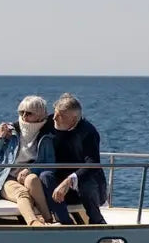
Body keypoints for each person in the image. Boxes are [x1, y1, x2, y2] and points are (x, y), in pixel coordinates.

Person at [0, 95, 56, 225]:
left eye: (29, 113)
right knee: (22, 193)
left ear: (40, 115)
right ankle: (34, 222)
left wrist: (30, 169)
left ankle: (48, 219)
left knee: (32, 179)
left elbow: (50, 163)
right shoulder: (11, 131)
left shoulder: (46, 135)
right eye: (21, 112)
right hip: (6, 176)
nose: (24, 116)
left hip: (28, 176)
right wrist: (0, 138)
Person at [39, 94, 108, 224]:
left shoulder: (88, 132)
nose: (54, 118)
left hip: (85, 185)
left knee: (86, 182)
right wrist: (8, 128)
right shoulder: (51, 122)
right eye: (55, 113)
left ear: (74, 118)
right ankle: (65, 222)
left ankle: (97, 221)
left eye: (60, 116)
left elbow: (92, 163)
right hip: (58, 183)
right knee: (45, 176)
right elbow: (27, 125)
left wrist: (69, 180)